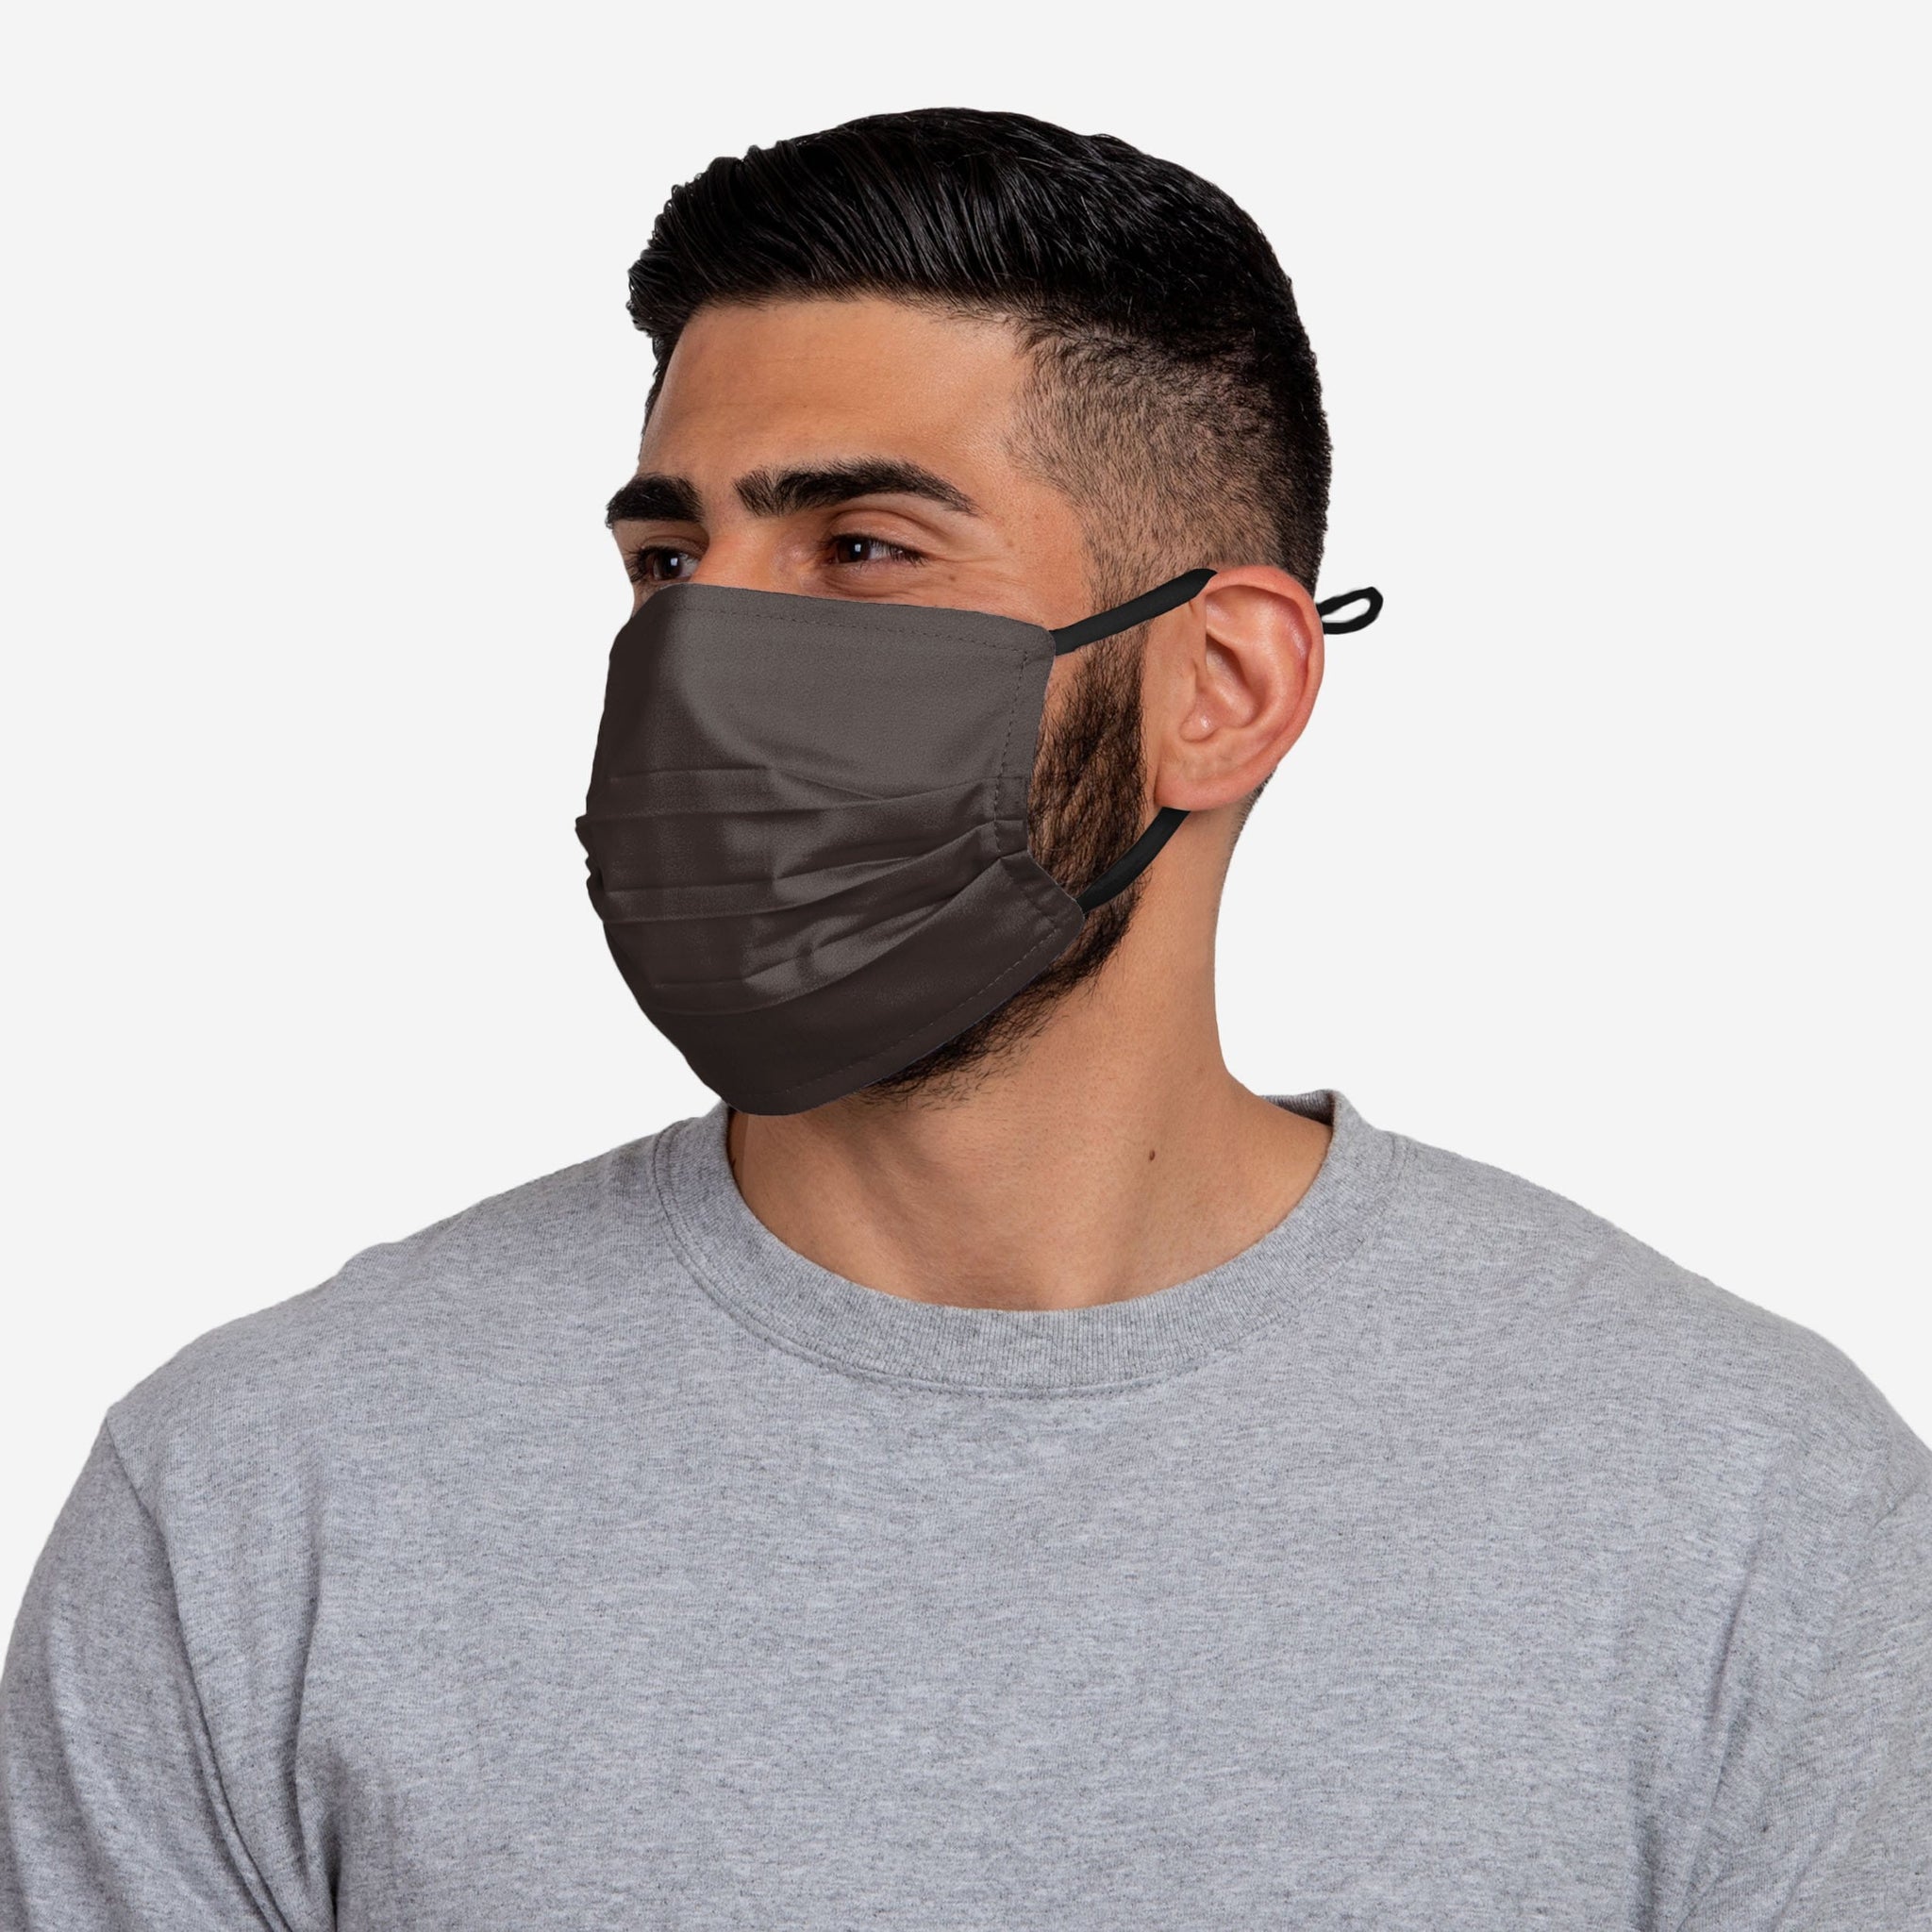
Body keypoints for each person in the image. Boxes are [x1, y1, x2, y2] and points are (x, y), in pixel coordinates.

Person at [2, 107, 1926, 1931]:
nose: (703, 661)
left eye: (861, 549)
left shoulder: (1747, 1517)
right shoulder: (255, 1508)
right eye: (668, 564)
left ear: (1222, 687)